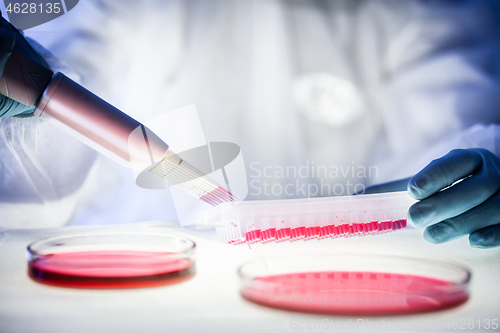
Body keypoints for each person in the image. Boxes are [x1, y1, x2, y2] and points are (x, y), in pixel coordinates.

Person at [1, 0, 500, 248]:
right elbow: (42, 166)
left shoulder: (415, 13)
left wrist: (481, 167)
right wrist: (31, 91)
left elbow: (458, 136)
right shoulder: (131, 10)